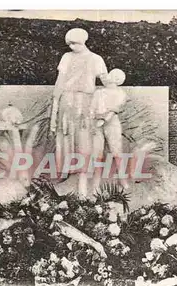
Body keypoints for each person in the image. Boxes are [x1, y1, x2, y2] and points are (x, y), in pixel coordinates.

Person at [50, 28, 108, 197]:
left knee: (84, 140)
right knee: (66, 137)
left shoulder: (96, 59)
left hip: (86, 102)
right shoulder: (66, 57)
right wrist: (55, 103)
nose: (71, 47)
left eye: (74, 43)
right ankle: (67, 174)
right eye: (69, 44)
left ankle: (83, 179)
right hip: (67, 101)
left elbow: (106, 81)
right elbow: (60, 81)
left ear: (83, 41)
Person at [90, 68, 129, 192]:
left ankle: (122, 179)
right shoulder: (98, 93)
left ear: (118, 80)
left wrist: (104, 119)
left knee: (116, 151)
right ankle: (96, 180)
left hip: (111, 123)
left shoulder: (121, 93)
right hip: (97, 123)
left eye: (113, 76)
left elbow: (115, 109)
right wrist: (94, 120)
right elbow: (91, 108)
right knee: (97, 152)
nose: (108, 77)